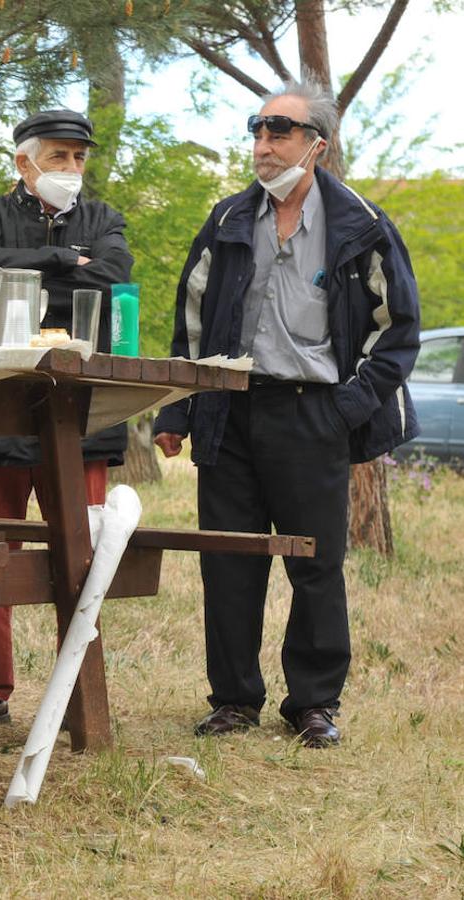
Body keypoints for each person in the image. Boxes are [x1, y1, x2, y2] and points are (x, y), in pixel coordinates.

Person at [153, 80, 421, 748]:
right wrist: (178, 413)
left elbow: (397, 333)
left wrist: (344, 410)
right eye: (257, 132)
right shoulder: (226, 220)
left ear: (316, 146)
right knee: (228, 561)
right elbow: (189, 324)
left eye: (279, 132)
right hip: (229, 413)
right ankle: (234, 700)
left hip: (313, 414)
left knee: (313, 563)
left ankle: (312, 704)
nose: (263, 145)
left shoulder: (360, 224)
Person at [0, 108, 134, 724]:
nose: (72, 169)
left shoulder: (105, 218)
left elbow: (112, 277)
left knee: (82, 559)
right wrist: (63, 264)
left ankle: (78, 694)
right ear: (23, 161)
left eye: (80, 157)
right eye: (58, 157)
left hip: (80, 418)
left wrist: (20, 267)